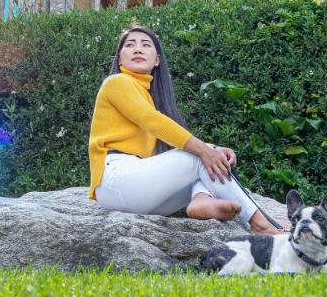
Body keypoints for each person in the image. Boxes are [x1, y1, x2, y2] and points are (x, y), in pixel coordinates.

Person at [88, 25, 286, 234]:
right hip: (115, 179)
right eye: (130, 45)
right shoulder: (116, 82)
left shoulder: (147, 96)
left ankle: (200, 200)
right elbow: (151, 120)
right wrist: (207, 149)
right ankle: (260, 224)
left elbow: (164, 150)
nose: (137, 49)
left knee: (206, 160)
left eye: (146, 45)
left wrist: (213, 148)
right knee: (200, 156)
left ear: (157, 60)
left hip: (136, 193)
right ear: (120, 59)